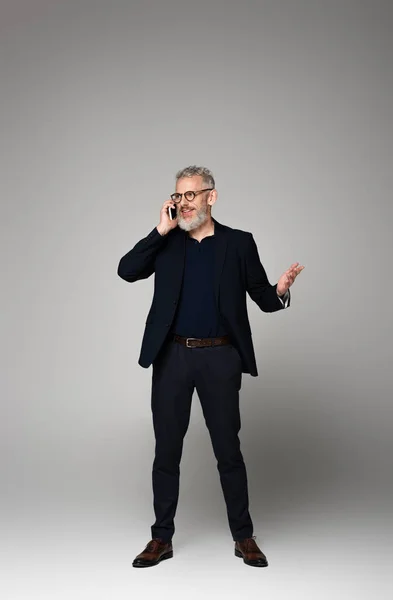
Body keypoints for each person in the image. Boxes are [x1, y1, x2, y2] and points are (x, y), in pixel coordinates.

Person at [117, 165, 304, 568]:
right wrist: (159, 231)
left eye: (191, 195)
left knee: (228, 450)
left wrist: (280, 291)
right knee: (166, 450)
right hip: (172, 356)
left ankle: (244, 536)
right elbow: (126, 270)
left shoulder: (238, 243)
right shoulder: (166, 242)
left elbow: (262, 298)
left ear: (211, 197)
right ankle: (160, 538)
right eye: (178, 195)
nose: (184, 203)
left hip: (220, 358)